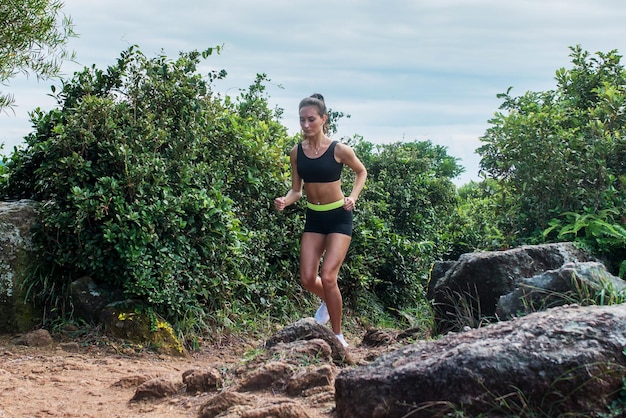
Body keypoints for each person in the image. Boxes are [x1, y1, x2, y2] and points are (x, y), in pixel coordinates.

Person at [274, 93, 367, 348]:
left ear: (323, 119)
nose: (306, 125)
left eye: (311, 119)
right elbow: (297, 190)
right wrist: (285, 200)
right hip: (314, 218)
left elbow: (361, 172)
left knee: (328, 276)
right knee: (307, 278)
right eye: (302, 120)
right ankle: (329, 301)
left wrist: (353, 197)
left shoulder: (339, 149)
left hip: (339, 216)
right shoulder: (296, 152)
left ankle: (337, 336)